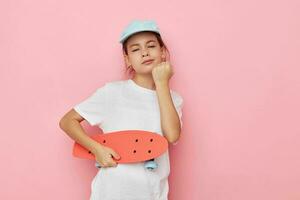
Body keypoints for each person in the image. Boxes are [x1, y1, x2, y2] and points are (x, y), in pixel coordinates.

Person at [59, 19, 184, 200]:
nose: (145, 53)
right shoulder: (112, 92)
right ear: (127, 59)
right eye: (135, 49)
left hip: (152, 193)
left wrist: (162, 83)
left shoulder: (174, 99)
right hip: (111, 192)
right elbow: (67, 121)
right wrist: (97, 150)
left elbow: (172, 136)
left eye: (151, 46)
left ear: (163, 52)